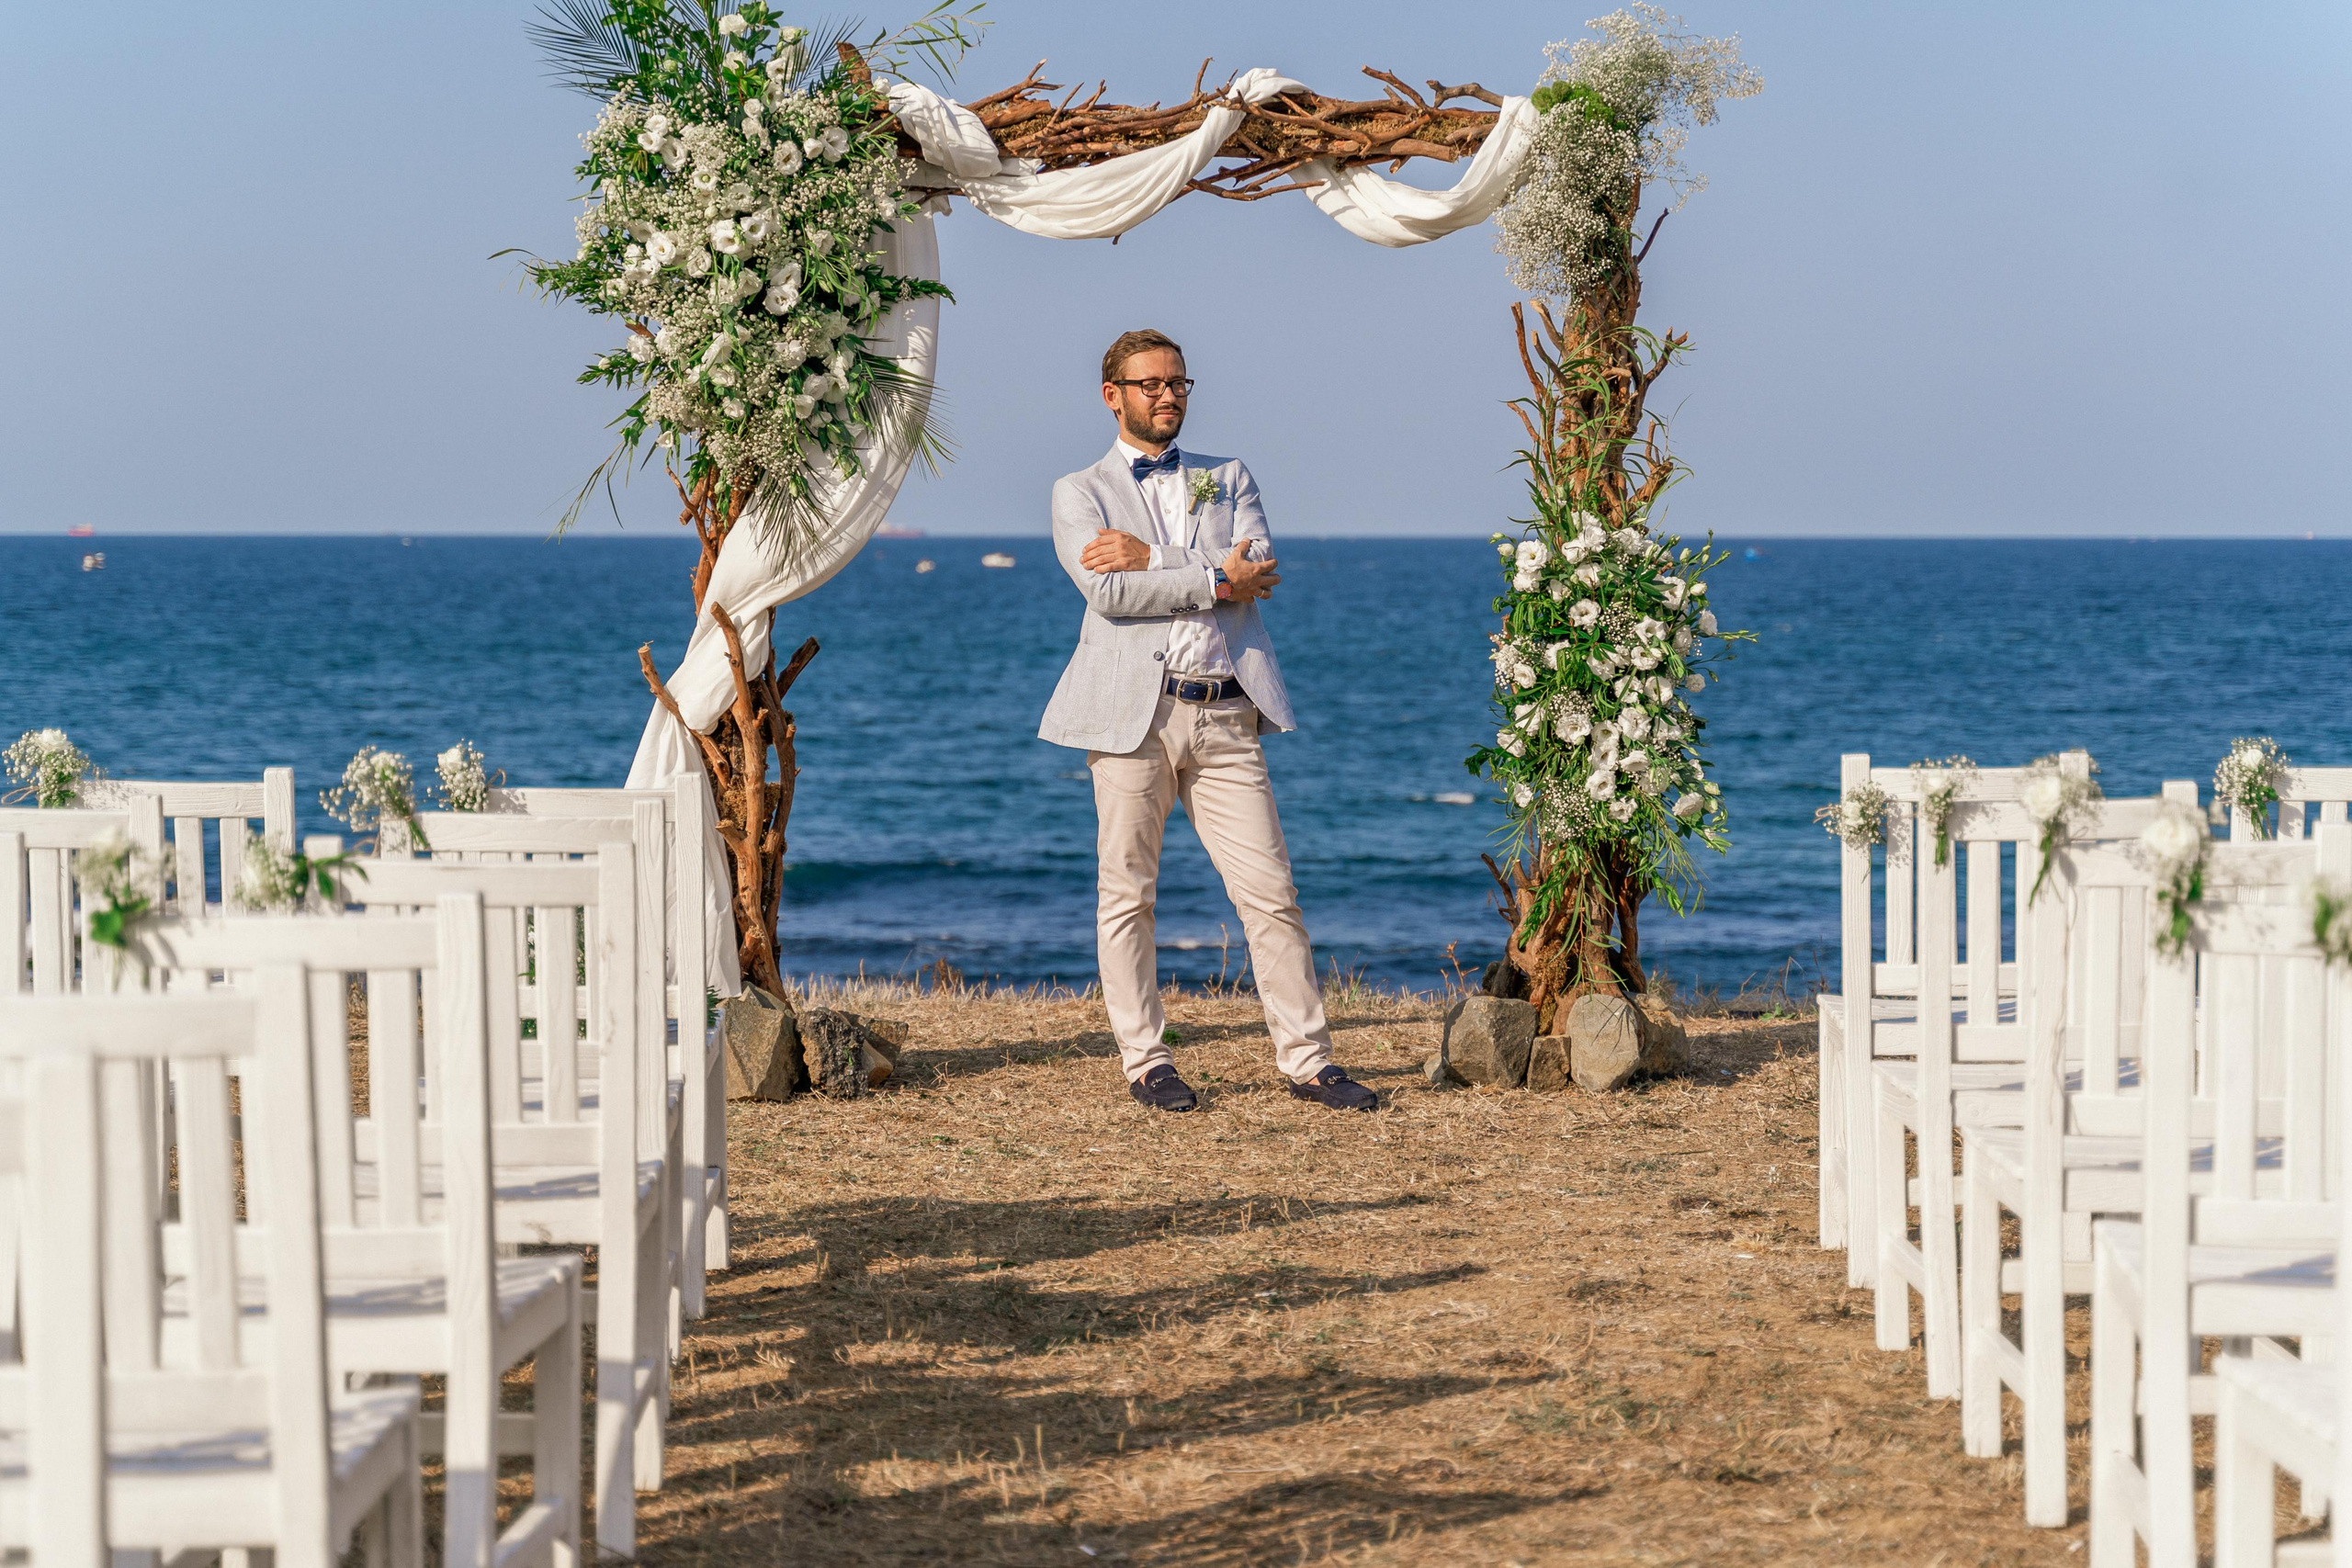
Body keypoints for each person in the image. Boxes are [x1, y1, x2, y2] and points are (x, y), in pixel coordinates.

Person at [1037, 328, 1377, 1114]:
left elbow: (1255, 573)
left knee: (1271, 893)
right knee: (1128, 894)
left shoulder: (1228, 476)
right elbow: (1109, 597)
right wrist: (1213, 576)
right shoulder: (1077, 492)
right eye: (1150, 384)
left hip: (1226, 711)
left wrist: (1156, 560)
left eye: (1179, 383)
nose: (1168, 396)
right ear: (1112, 395)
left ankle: (1308, 1062)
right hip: (1134, 719)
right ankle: (1147, 1061)